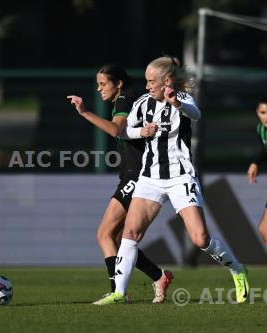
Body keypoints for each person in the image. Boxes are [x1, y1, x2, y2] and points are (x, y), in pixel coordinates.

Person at [96, 56, 250, 305]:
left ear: (166, 81)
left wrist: (176, 102)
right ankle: (119, 293)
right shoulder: (143, 103)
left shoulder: (182, 99)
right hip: (150, 178)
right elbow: (124, 131)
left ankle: (237, 270)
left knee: (200, 239)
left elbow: (196, 114)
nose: (147, 87)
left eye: (151, 82)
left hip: (180, 177)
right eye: (146, 82)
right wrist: (141, 132)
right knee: (130, 233)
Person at [67, 64, 173, 304]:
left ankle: (118, 292)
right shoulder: (130, 99)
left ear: (119, 84)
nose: (99, 88)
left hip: (138, 175)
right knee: (121, 239)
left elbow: (116, 130)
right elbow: (132, 133)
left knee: (105, 234)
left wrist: (85, 112)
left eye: (103, 84)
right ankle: (158, 276)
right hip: (133, 173)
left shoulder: (125, 99)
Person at [246, 94, 267, 243]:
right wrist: (255, 163)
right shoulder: (261, 129)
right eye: (263, 112)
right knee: (264, 230)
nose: (266, 117)